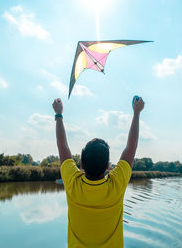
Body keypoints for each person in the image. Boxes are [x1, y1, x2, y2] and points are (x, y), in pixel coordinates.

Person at [52, 96, 145, 248]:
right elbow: (131, 146)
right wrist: (136, 113)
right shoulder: (116, 184)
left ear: (82, 164)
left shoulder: (72, 183)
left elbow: (62, 146)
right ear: (108, 166)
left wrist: (58, 115)